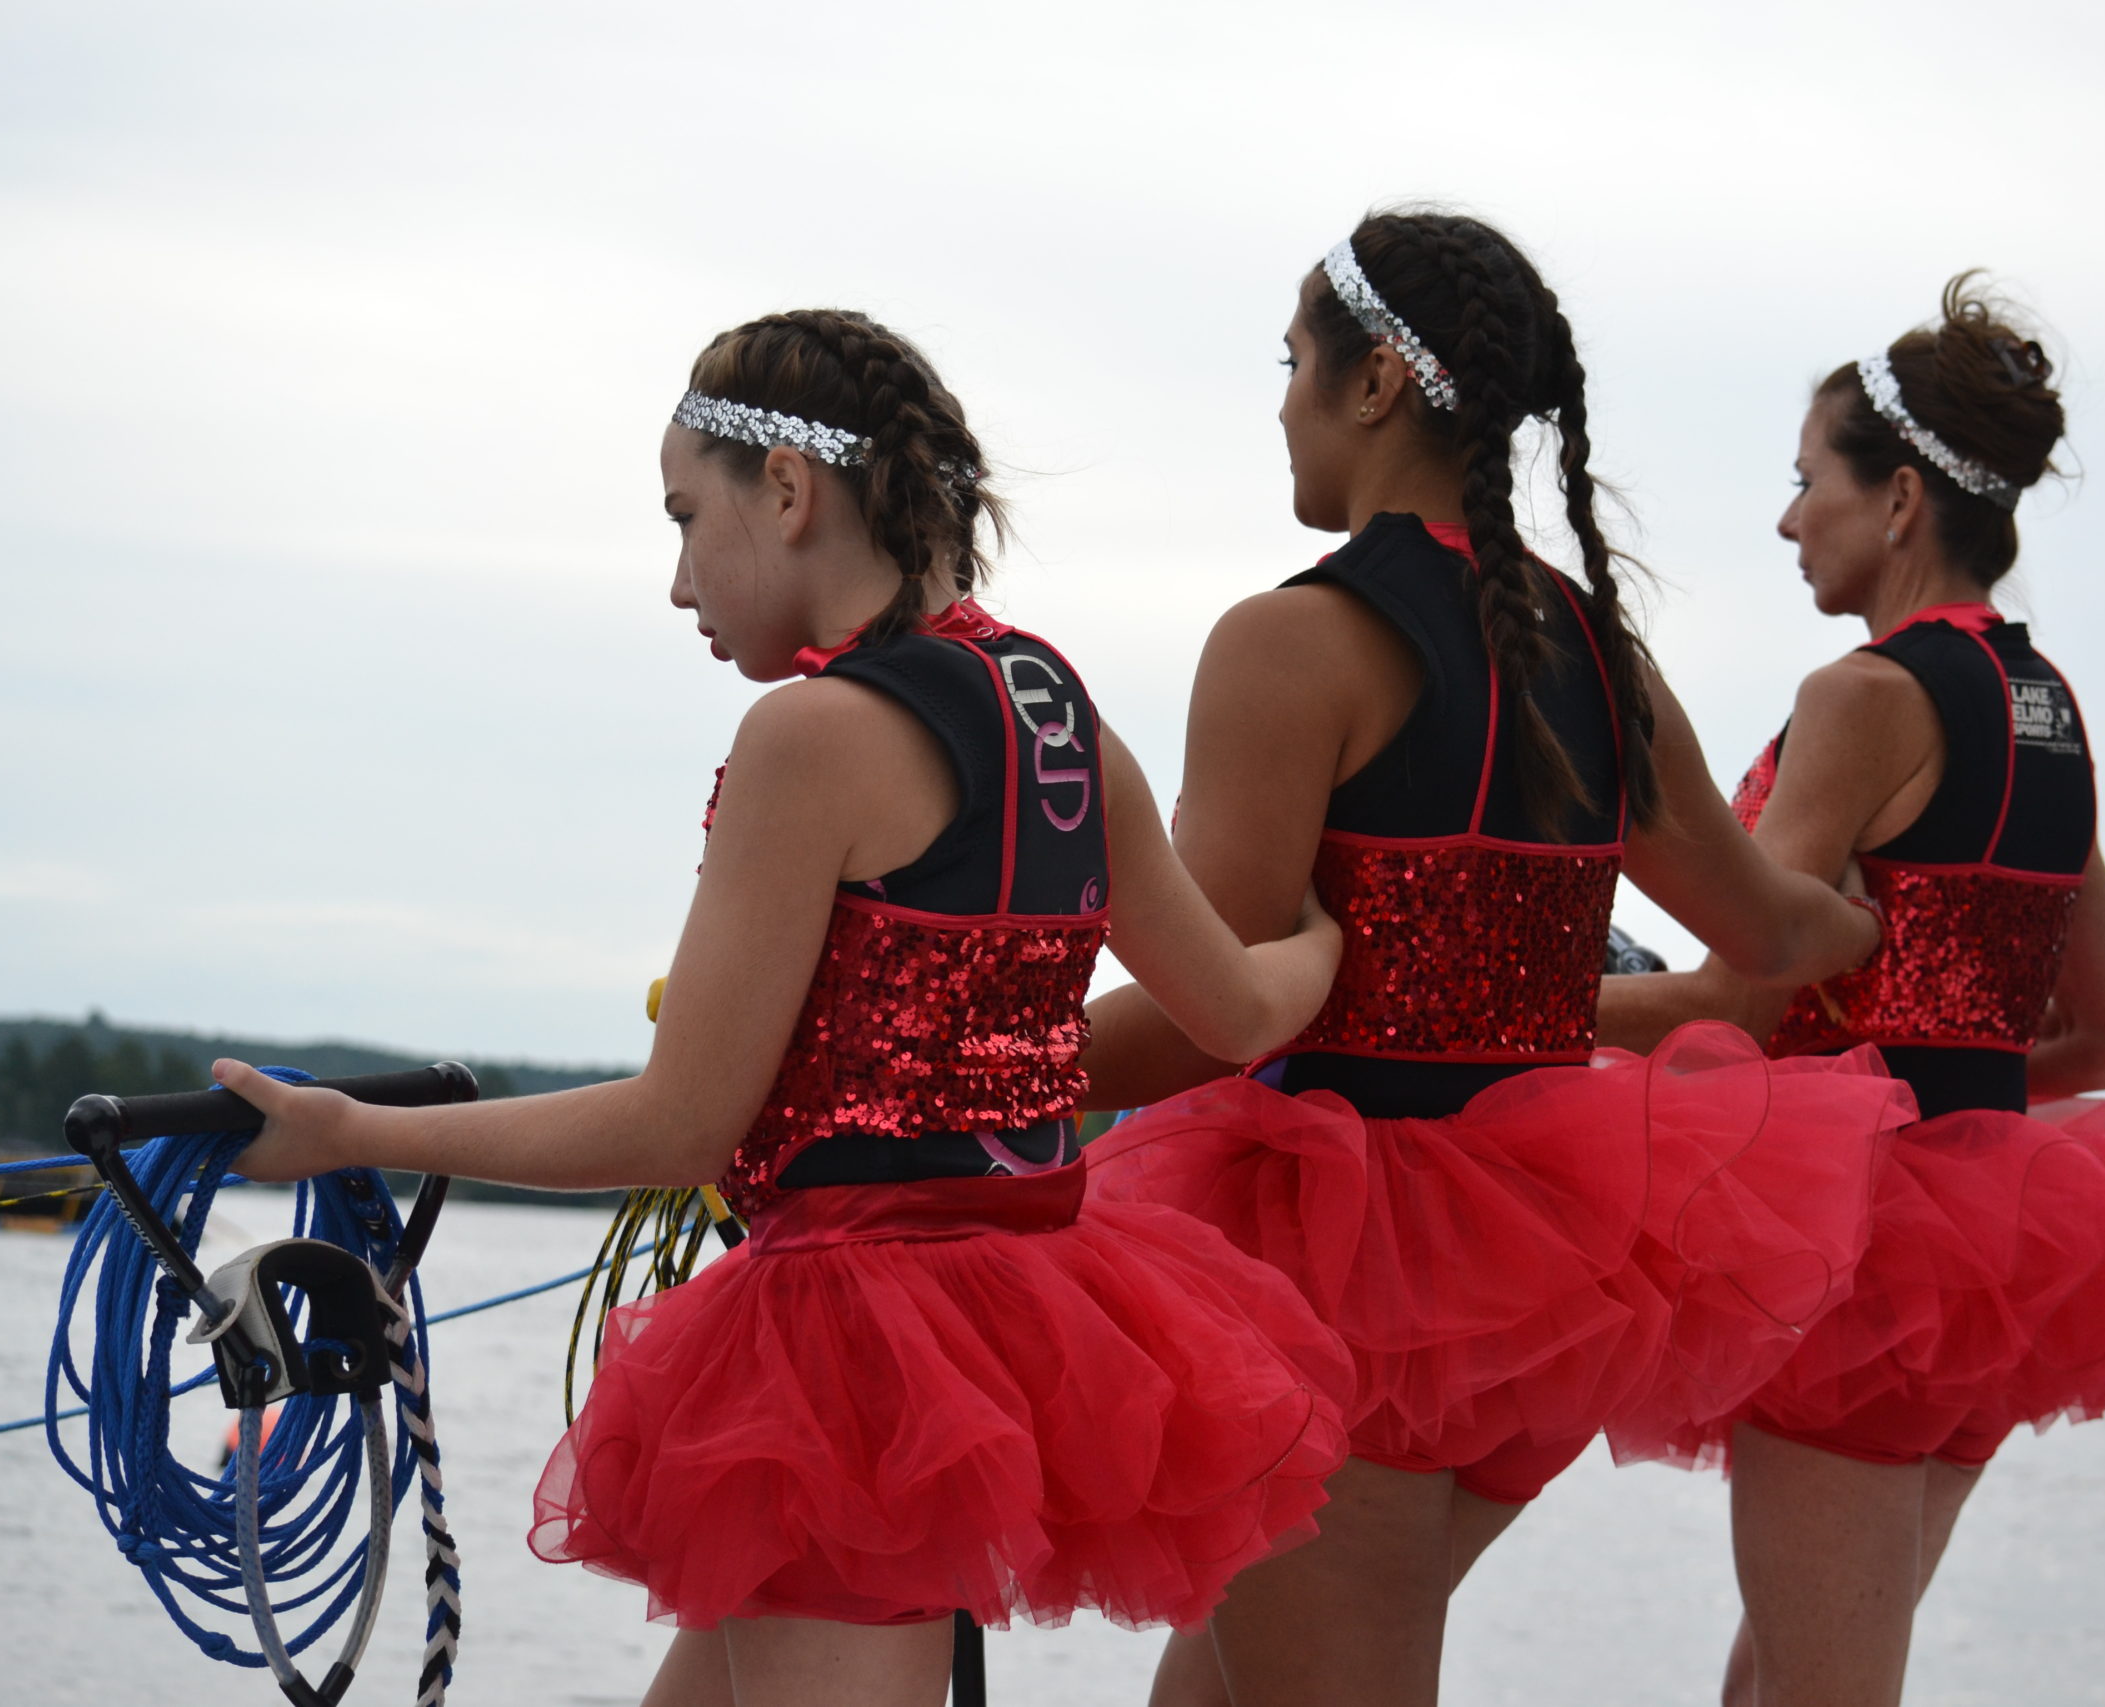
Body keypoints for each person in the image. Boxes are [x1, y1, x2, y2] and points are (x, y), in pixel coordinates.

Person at [214, 308, 1360, 1707]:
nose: (679, 578)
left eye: (688, 515)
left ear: (791, 493)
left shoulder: (810, 737)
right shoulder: (1059, 713)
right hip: (1025, 1314)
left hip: (855, 1361)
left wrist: (347, 1130)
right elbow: (1238, 1013)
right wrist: (1322, 937)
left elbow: (685, 1122)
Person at [1081, 212, 1914, 1707]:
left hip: (1338, 1282)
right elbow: (1772, 931)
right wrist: (1880, 923)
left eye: (1292, 361)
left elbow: (1210, 1014)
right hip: (1550, 1270)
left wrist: (929, 1080)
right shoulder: (1596, 651)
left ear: (1375, 384)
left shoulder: (1295, 647)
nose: (1278, 398)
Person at [1595, 274, 2105, 1707]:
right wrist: (1937, 1091)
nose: (1789, 522)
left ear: (1900, 498)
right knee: (1785, 1682)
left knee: (1826, 1689)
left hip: (1853, 1254)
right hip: (1996, 1254)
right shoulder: (2051, 713)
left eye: (1806, 484)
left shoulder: (1866, 696)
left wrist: (1528, 1003)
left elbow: (1742, 986)